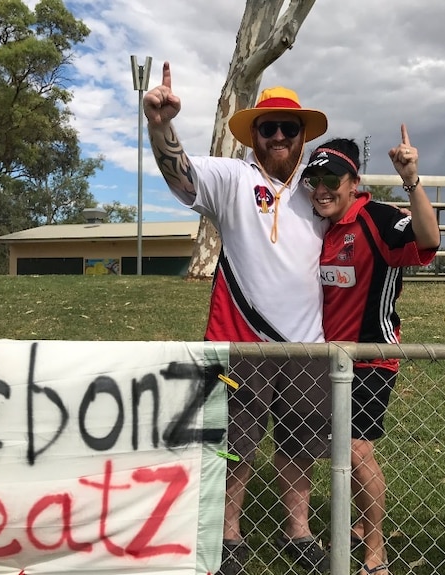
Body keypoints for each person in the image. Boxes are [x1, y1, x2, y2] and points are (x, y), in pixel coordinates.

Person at [143, 62, 331, 575]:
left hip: (307, 346)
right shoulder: (232, 178)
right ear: (253, 135)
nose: (276, 136)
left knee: (299, 445)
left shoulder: (321, 192)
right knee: (234, 447)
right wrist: (161, 128)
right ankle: (228, 535)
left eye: (287, 129)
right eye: (266, 127)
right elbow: (182, 179)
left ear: (300, 138)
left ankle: (299, 532)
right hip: (237, 342)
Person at [302, 127, 440, 575]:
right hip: (326, 358)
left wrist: (412, 180)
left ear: (353, 184)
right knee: (338, 448)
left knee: (357, 448)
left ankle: (374, 551)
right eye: (315, 182)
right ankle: (361, 524)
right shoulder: (316, 227)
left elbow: (428, 240)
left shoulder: (378, 217)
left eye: (332, 182)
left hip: (371, 356)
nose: (321, 191)